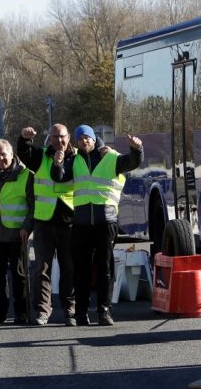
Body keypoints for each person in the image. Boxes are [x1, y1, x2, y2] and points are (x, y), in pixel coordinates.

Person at [52, 125, 143, 326]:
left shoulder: (109, 157)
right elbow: (59, 177)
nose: (83, 141)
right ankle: (82, 313)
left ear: (94, 139)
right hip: (81, 224)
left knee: (105, 269)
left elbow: (131, 162)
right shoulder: (74, 160)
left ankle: (104, 311)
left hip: (106, 222)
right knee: (81, 270)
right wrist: (57, 164)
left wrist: (136, 149)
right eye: (79, 139)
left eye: (86, 137)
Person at [16, 124, 77, 326]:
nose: (59, 141)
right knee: (42, 269)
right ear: (49, 138)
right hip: (43, 222)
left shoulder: (77, 159)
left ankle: (70, 310)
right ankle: (42, 310)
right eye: (54, 137)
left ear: (68, 137)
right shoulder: (40, 156)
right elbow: (24, 153)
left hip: (69, 222)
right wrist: (24, 139)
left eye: (62, 137)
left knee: (69, 268)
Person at [0, 139, 34, 325]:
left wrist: (27, 226)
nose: (1, 158)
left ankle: (21, 313)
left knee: (19, 275)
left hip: (18, 233)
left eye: (4, 154)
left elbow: (33, 204)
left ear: (11, 154)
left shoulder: (26, 175)